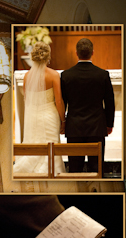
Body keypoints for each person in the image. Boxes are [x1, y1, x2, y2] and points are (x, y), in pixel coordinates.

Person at [60, 38, 115, 174]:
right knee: (96, 170)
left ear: (76, 53)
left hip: (74, 128)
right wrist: (109, 124)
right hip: (97, 127)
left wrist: (62, 123)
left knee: (75, 169)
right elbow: (109, 101)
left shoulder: (66, 75)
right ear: (92, 52)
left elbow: (62, 102)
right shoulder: (102, 75)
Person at [14, 41, 65, 175]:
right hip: (49, 116)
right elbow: (59, 101)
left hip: (33, 116)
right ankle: (52, 173)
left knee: (34, 143)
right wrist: (63, 120)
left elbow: (27, 99)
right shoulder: (54, 75)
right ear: (48, 56)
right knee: (51, 145)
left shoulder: (27, 76)